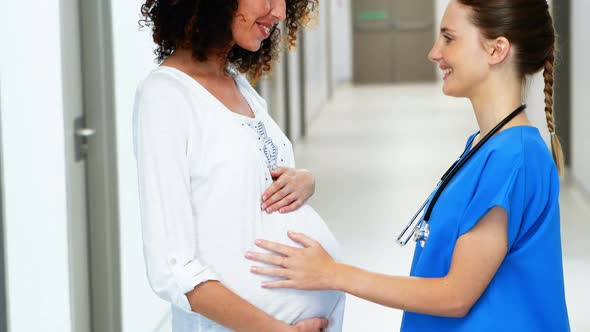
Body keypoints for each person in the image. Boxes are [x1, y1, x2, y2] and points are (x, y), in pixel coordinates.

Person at [246, 0, 571, 331]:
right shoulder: (484, 146)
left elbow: (455, 296)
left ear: (496, 50)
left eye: (449, 38)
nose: (434, 53)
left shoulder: (513, 157)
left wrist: (331, 273)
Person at [133, 0, 345, 331]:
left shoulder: (236, 82)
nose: (279, 13)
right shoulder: (166, 95)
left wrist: (304, 180)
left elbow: (248, 182)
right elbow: (173, 268)